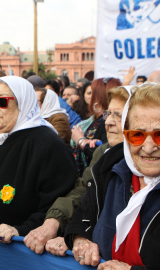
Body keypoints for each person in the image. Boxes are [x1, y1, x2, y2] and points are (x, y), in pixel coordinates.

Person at [65, 82, 160, 269]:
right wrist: (80, 238)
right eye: (137, 135)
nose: (148, 148)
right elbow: (84, 216)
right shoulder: (109, 168)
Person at [24, 86, 129, 255]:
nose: (108, 122)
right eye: (108, 114)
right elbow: (83, 191)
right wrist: (54, 222)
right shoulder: (103, 152)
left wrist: (82, 236)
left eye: (118, 115)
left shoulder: (147, 163)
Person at [0, 76, 77, 242]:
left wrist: (20, 230)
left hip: (21, 251)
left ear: (22, 102)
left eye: (2, 101)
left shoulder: (48, 143)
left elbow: (57, 205)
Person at [71, 77, 121, 176]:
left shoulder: (107, 122)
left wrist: (81, 140)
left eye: (92, 93)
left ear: (100, 96)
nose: (90, 97)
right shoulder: (97, 119)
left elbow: (105, 154)